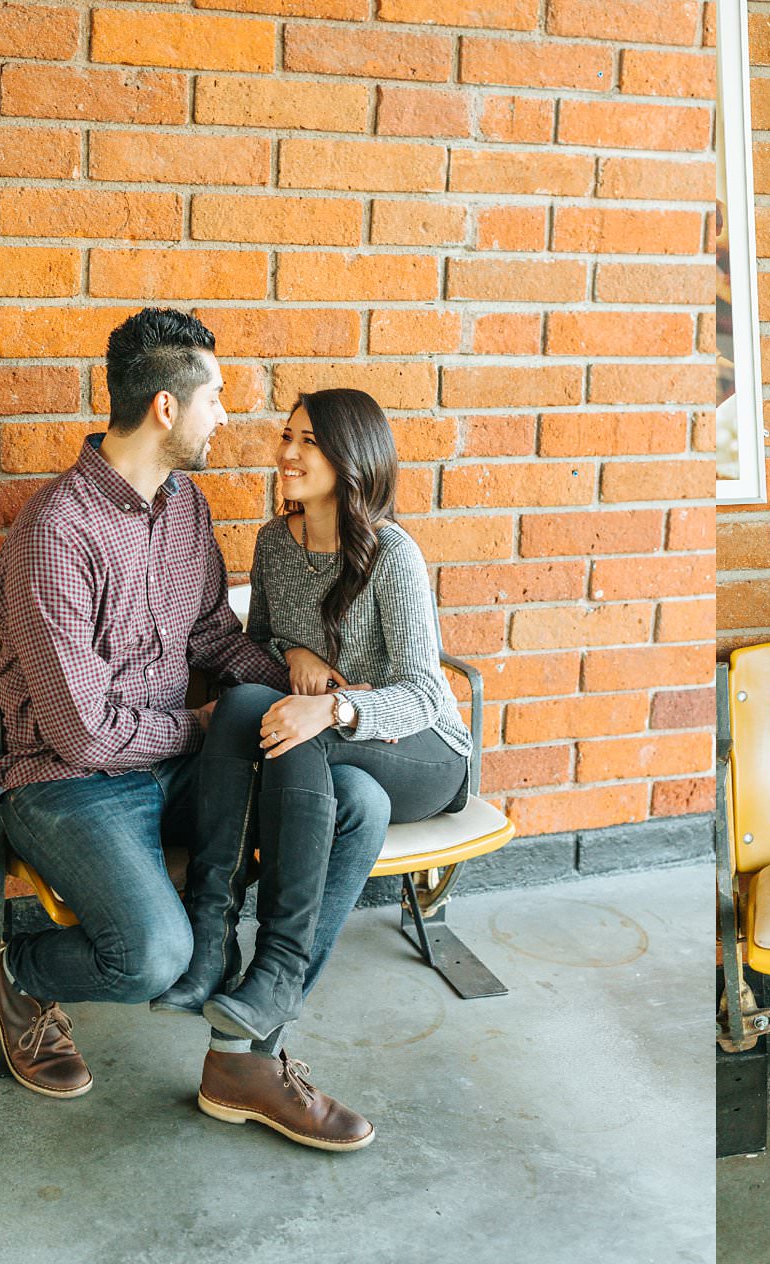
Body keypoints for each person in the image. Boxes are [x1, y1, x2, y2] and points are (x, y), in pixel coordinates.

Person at [0, 307, 383, 1152]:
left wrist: (305, 687)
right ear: (167, 407)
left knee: (352, 803)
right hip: (65, 785)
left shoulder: (184, 509)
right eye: (218, 397)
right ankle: (15, 972)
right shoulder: (54, 532)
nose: (229, 417)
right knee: (151, 956)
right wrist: (206, 728)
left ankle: (248, 1049)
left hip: (171, 766)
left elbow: (211, 635)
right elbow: (84, 735)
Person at [153, 388, 470, 1068]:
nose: (287, 453)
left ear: (351, 458)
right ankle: (214, 940)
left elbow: (424, 690)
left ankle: (276, 968)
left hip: (422, 750)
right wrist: (292, 655)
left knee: (296, 729)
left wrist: (333, 708)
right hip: (347, 765)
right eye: (286, 436)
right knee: (265, 723)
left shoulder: (392, 554)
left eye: (308, 442)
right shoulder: (274, 543)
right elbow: (259, 646)